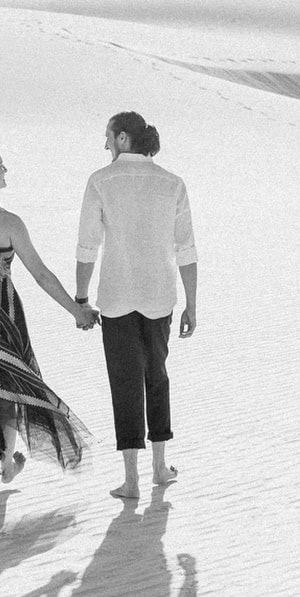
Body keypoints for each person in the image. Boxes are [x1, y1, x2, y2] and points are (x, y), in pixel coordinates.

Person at [0, 146, 98, 508]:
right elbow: (41, 275)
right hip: (1, 321)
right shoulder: (9, 223)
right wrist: (77, 311)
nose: (6, 169)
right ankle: (7, 464)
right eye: (0, 166)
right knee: (7, 392)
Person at [74, 112, 198, 501]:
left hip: (115, 298)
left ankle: (132, 480)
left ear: (124, 138)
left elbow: (87, 246)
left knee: (124, 383)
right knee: (157, 376)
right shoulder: (172, 183)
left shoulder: (100, 181)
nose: (106, 145)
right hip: (159, 296)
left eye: (108, 137)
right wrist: (192, 304)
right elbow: (187, 250)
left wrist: (81, 298)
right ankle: (160, 467)